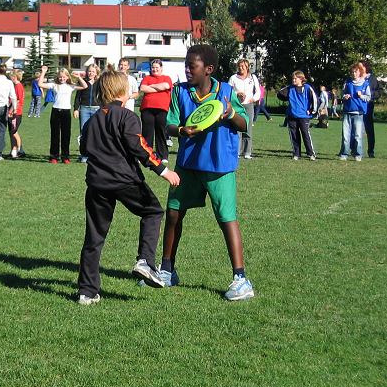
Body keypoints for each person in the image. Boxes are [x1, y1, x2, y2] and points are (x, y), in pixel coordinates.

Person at [76, 68, 180, 304]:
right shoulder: (127, 117)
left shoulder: (91, 121)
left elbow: (84, 149)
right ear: (122, 92)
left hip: (96, 184)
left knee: (94, 238)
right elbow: (140, 148)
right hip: (125, 181)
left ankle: (86, 291)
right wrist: (164, 171)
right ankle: (145, 261)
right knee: (153, 211)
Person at [160, 44, 255, 301]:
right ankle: (167, 270)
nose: (187, 70)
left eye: (192, 66)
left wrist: (230, 113)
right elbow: (168, 124)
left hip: (219, 165)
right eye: (186, 66)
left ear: (208, 69)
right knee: (173, 214)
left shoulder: (225, 91)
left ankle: (241, 279)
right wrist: (180, 130)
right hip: (188, 164)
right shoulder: (180, 91)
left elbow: (244, 124)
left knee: (226, 219)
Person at [37, 65, 87, 164]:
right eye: (60, 77)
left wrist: (78, 77)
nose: (62, 78)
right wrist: (43, 72)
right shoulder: (54, 85)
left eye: (64, 77)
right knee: (55, 135)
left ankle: (65, 157)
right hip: (56, 111)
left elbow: (85, 86)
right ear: (58, 77)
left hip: (66, 112)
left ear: (67, 77)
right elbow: (40, 84)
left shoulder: (71, 86)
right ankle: (54, 156)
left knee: (66, 135)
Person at [277, 71, 318, 161]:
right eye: (293, 78)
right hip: (292, 115)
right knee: (294, 135)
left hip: (304, 116)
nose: (293, 80)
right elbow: (279, 93)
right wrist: (287, 97)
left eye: (295, 78)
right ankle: (296, 153)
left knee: (305, 134)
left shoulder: (307, 88)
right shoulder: (290, 88)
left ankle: (311, 154)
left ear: (301, 79)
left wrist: (312, 111)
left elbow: (315, 99)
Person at [139, 59, 174, 163]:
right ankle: (146, 155)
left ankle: (162, 155)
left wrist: (150, 87)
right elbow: (143, 88)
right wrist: (158, 88)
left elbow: (166, 86)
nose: (154, 69)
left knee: (161, 132)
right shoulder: (147, 78)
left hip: (162, 109)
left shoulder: (166, 78)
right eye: (153, 67)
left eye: (157, 67)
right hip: (147, 108)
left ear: (161, 68)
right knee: (147, 133)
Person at [227, 58, 260, 159]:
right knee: (237, 129)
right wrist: (237, 94)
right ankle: (236, 152)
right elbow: (228, 91)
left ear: (247, 67)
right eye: (239, 66)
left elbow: (258, 91)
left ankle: (247, 152)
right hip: (237, 106)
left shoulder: (253, 78)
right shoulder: (233, 78)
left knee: (248, 128)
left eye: (243, 66)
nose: (241, 68)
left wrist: (253, 99)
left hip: (248, 105)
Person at [338, 62, 370, 162]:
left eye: (355, 72)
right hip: (347, 112)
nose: (354, 74)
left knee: (358, 135)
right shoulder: (347, 83)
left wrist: (361, 96)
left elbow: (368, 98)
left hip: (358, 113)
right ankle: (344, 154)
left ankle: (358, 154)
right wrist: (345, 97)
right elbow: (342, 94)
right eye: (352, 72)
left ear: (360, 72)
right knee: (345, 135)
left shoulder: (365, 84)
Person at [73, 63, 101, 162]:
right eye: (89, 71)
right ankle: (84, 155)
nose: (91, 73)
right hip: (84, 109)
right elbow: (77, 97)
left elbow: (102, 96)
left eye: (93, 71)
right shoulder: (83, 82)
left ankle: (95, 155)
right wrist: (76, 109)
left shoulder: (99, 82)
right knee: (83, 131)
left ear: (96, 72)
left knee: (96, 132)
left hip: (97, 109)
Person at [362, 61, 380, 158]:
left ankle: (371, 151)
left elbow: (378, 92)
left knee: (369, 129)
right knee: (355, 130)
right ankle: (354, 150)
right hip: (358, 107)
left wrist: (370, 95)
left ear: (365, 68)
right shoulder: (357, 77)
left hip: (368, 107)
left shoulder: (372, 79)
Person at [8, 69, 26, 158]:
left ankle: (20, 150)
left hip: (16, 113)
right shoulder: (15, 86)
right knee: (12, 132)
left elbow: (18, 100)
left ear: (14, 77)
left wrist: (11, 110)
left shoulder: (18, 86)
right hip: (14, 112)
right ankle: (13, 151)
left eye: (10, 77)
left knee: (14, 132)